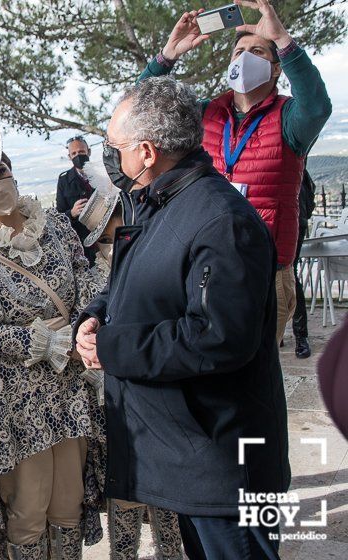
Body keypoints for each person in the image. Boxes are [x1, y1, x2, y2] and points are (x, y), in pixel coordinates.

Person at [75, 77, 289, 560]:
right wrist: (96, 315)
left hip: (226, 466)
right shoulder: (164, 204)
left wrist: (112, 347)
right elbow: (139, 284)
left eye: (115, 146)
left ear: (147, 152)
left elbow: (217, 337)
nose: (111, 157)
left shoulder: (220, 220)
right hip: (192, 457)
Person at [0, 104, 106, 559]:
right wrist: (59, 339)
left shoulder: (55, 226)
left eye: (2, 172)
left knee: (68, 502)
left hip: (68, 388)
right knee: (28, 510)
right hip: (13, 400)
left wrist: (86, 319)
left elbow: (85, 277)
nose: (0, 184)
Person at [140, 0, 332, 345]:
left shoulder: (290, 118)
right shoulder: (205, 114)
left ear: (276, 68)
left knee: (254, 380)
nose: (244, 57)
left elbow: (318, 105)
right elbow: (142, 109)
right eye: (238, 50)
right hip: (205, 266)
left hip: (264, 270)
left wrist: (284, 40)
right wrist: (168, 55)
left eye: (257, 50)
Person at [78, 188, 184, 560]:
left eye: (112, 234)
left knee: (168, 496)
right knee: (124, 490)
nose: (110, 246)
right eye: (103, 241)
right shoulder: (97, 282)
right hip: (115, 401)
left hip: (158, 396)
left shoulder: (161, 257)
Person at [56, 136, 96, 261]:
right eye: (74, 153)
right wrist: (72, 213)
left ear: (88, 152)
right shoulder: (64, 180)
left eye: (81, 152)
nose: (78, 155)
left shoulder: (102, 172)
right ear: (69, 157)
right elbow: (60, 215)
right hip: (85, 244)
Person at [292, 168, 316, 358]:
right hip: (292, 220)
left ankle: (301, 336)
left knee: (289, 275)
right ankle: (299, 336)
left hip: (293, 222)